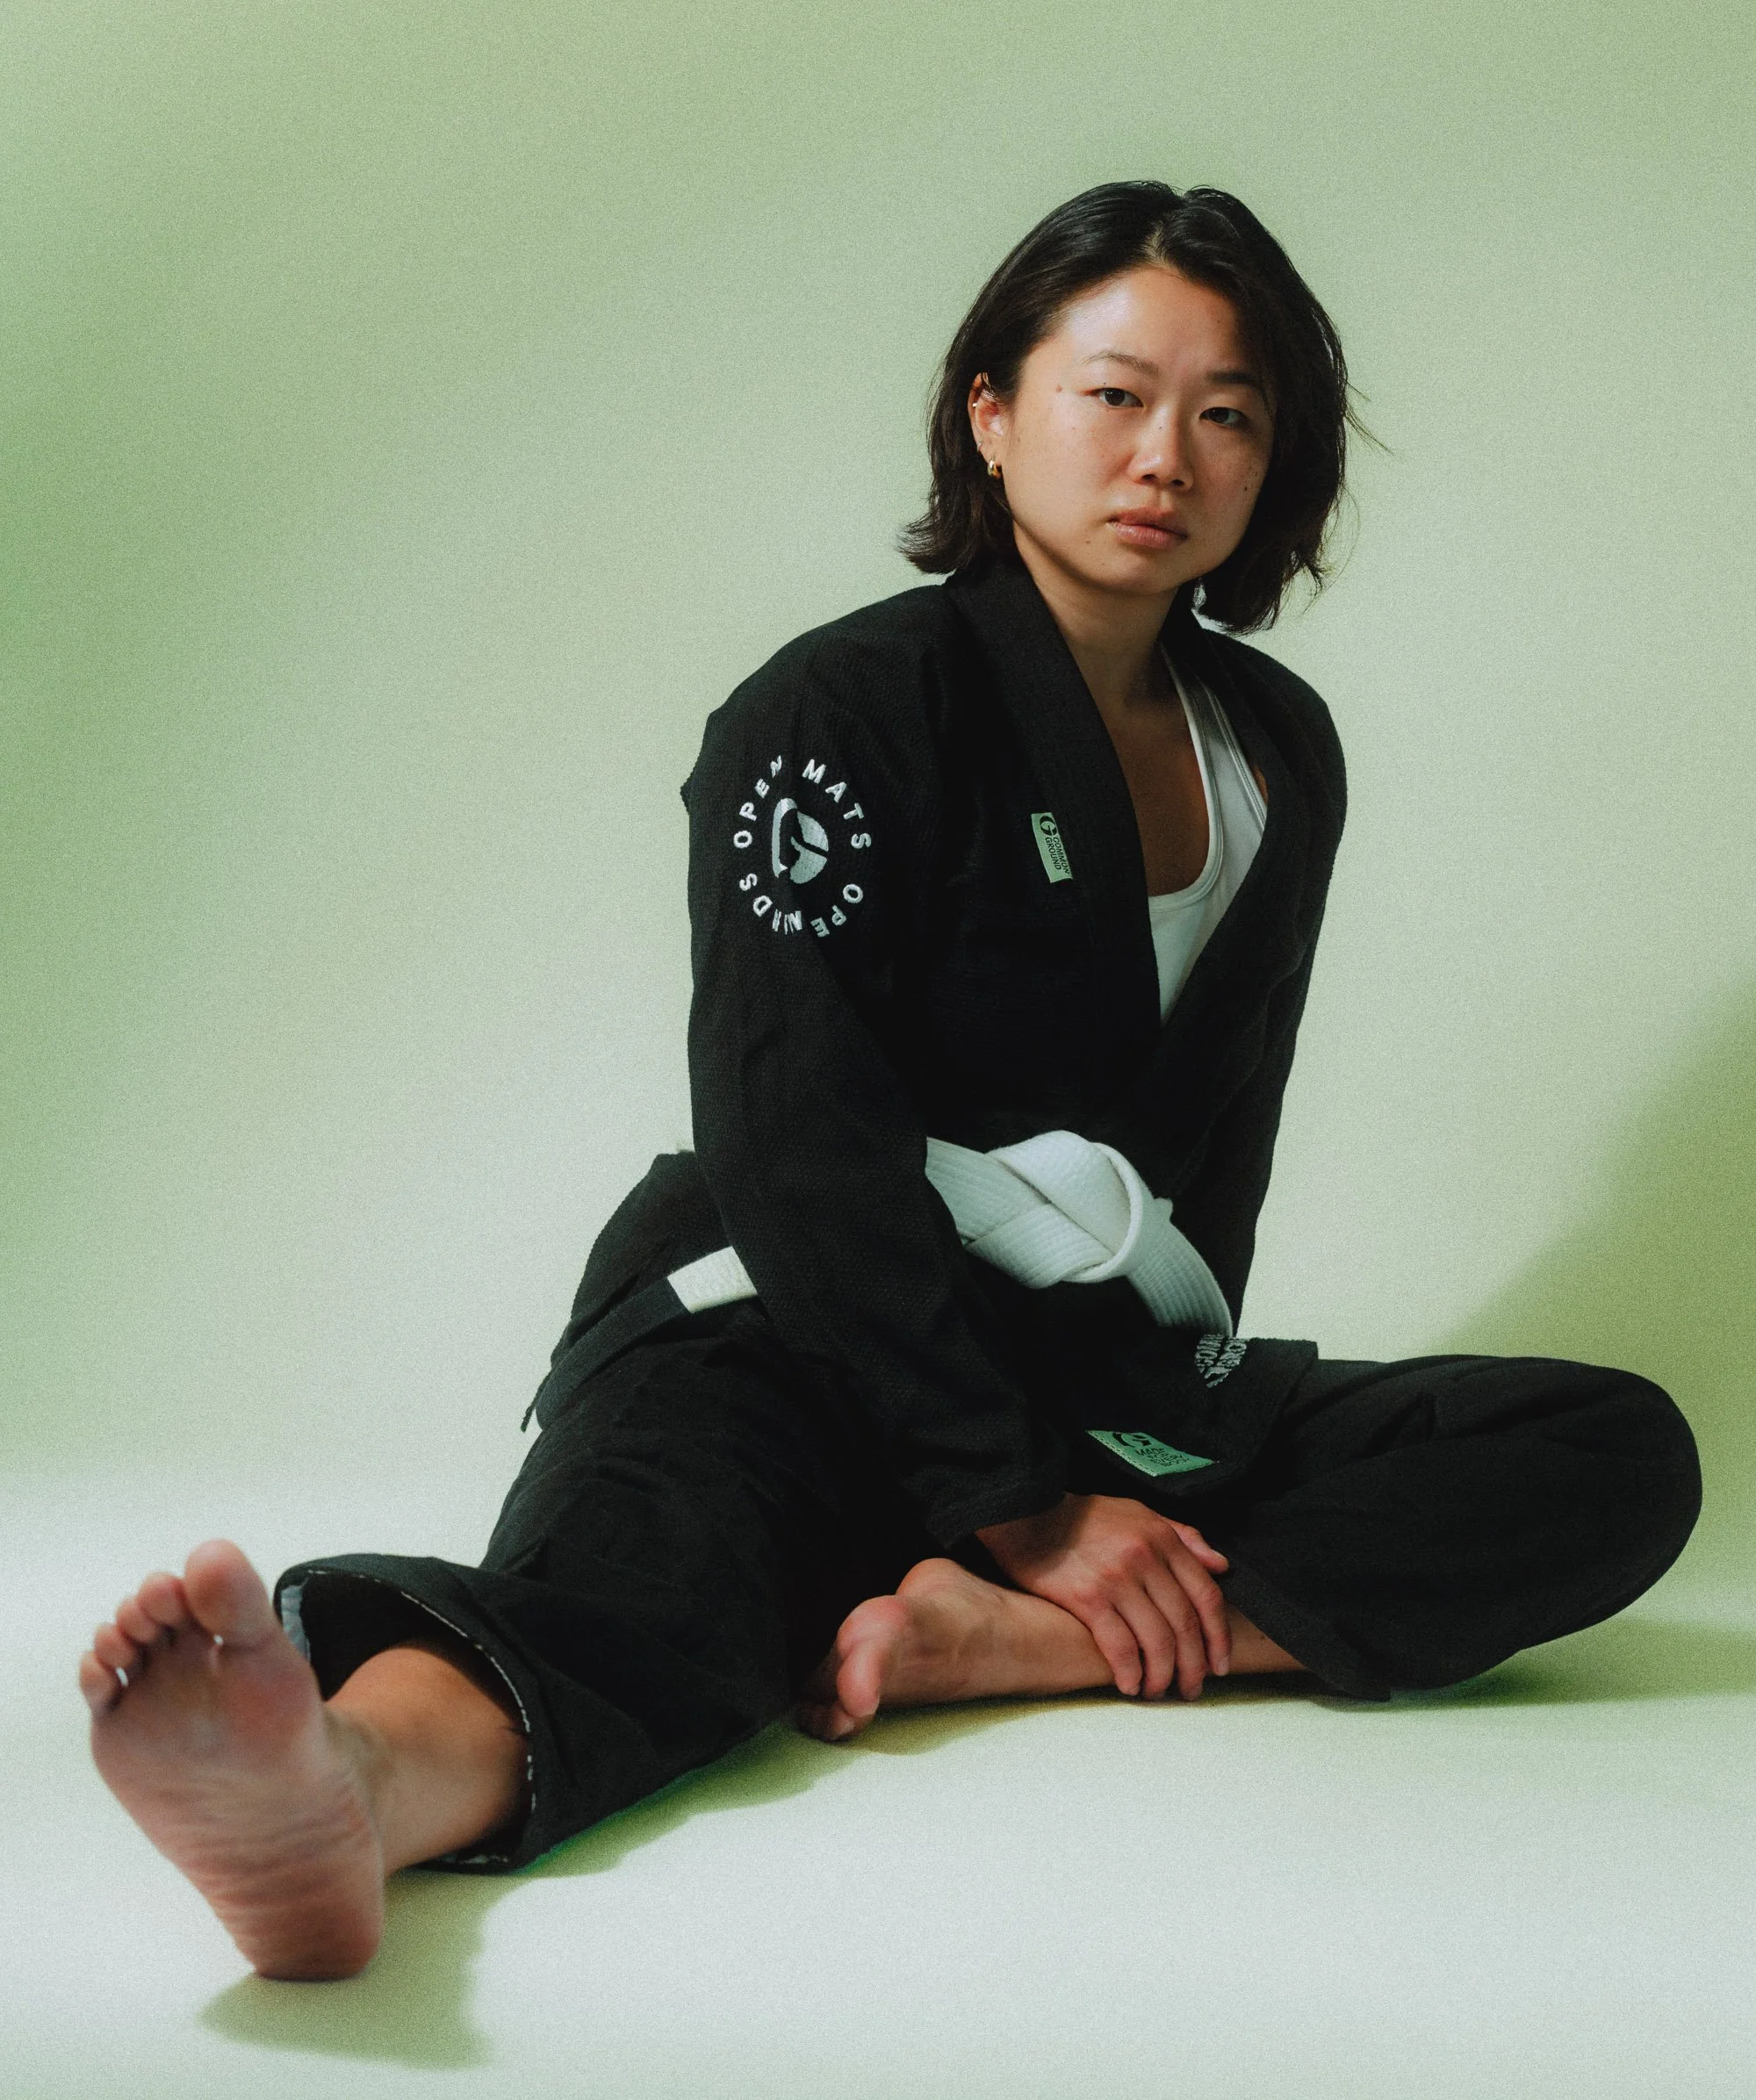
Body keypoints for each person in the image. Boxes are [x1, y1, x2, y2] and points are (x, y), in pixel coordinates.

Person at [80, 181, 1701, 1982]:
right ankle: (341, 1787)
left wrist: (1118, 1481)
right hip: (797, 1325)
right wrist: (1027, 1508)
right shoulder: (840, 709)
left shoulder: (1276, 751)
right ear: (992, 414)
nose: (1165, 455)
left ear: (1276, 459)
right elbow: (793, 1129)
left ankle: (1013, 1644)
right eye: (1112, 395)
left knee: (1608, 1452)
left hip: (1088, 1377)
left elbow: (1214, 1148)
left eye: (1228, 413)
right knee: (659, 1580)